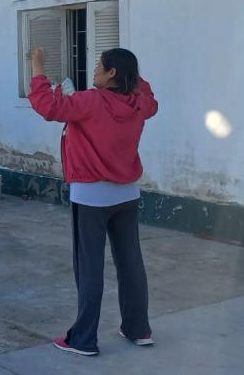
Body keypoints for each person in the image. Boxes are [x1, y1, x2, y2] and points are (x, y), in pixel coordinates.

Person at [29, 47, 158, 357]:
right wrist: (130, 70)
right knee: (131, 264)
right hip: (127, 194)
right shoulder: (140, 103)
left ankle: (83, 339)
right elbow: (149, 95)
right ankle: (138, 328)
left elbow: (47, 106)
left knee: (89, 268)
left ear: (112, 73)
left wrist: (37, 66)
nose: (95, 71)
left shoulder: (90, 101)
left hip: (91, 196)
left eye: (100, 66)